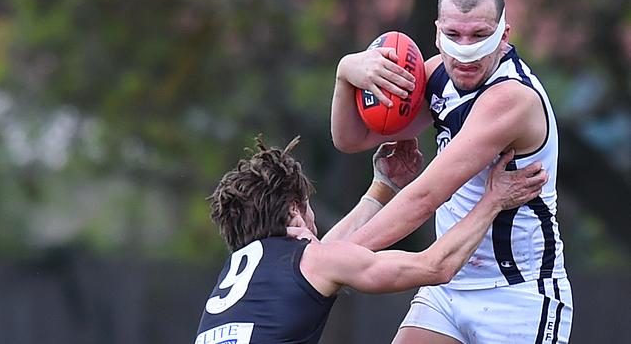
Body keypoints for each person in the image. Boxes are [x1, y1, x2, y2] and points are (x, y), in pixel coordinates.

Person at [329, 0, 573, 343]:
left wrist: (336, 259)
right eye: (454, 34)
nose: (465, 51)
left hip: (516, 291)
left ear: (504, 35)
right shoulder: (437, 74)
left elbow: (427, 195)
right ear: (438, 31)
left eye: (479, 35)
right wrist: (347, 72)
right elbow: (353, 139)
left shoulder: (511, 98)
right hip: (447, 286)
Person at [194, 135, 547, 344]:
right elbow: (436, 266)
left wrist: (383, 187)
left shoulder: (245, 269)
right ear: (294, 210)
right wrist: (492, 201)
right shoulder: (312, 262)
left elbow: (329, 253)